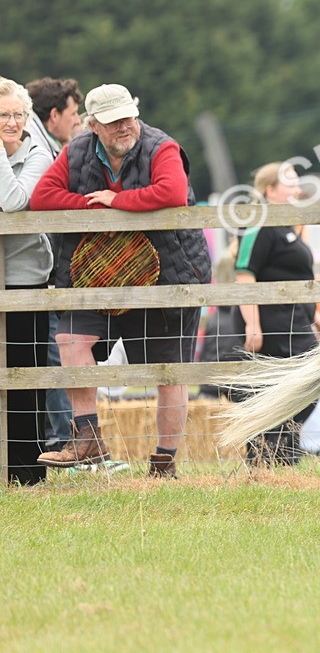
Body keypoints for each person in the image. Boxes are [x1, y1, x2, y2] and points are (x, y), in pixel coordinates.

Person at [31, 83, 213, 477]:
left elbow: (173, 192)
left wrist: (117, 202)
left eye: (128, 116)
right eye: (113, 121)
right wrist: (91, 204)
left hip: (169, 273)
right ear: (93, 125)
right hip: (92, 276)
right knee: (70, 339)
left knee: (169, 370)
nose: (124, 126)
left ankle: (164, 463)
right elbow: (42, 196)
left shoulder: (162, 147)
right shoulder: (75, 151)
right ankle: (88, 439)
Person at [231, 162, 320, 466]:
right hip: (270, 321)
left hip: (296, 319)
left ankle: (279, 452)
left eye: (298, 183)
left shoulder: (292, 225)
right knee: (307, 381)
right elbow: (245, 274)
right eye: (290, 183)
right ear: (269, 190)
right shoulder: (259, 223)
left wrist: (316, 315)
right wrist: (253, 324)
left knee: (306, 385)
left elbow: (301, 276)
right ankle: (267, 449)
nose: (298, 189)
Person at [0, 77, 54, 485]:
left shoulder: (38, 153)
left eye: (18, 114)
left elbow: (15, 201)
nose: (12, 122)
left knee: (26, 375)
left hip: (24, 279)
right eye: (3, 115)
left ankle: (26, 469)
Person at [26, 77, 84, 450]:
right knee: (55, 352)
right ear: (53, 116)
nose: (77, 122)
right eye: (74, 114)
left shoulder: (46, 149)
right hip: (40, 271)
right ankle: (64, 440)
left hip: (42, 269)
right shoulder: (43, 155)